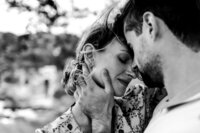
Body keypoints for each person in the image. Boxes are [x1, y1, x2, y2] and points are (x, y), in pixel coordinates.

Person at [74, 0, 200, 132]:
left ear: (150, 26)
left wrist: (101, 123)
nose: (134, 66)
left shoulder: (190, 121)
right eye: (124, 58)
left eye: (132, 46)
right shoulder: (164, 105)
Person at [35, 7, 165, 133]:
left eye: (135, 63)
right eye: (123, 59)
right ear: (90, 55)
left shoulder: (142, 104)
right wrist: (100, 121)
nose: (132, 73)